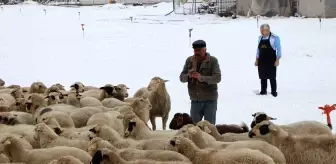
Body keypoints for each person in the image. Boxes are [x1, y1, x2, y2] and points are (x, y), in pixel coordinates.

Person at [179, 40, 221, 124]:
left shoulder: (213, 61)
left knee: (209, 128)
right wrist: (189, 76)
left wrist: (201, 78)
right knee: (194, 128)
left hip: (210, 100)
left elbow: (217, 78)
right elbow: (181, 78)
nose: (196, 53)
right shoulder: (189, 61)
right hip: (195, 100)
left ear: (205, 50)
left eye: (199, 50)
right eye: (195, 50)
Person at [255, 24, 282, 97]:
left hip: (271, 60)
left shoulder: (275, 38)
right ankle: (263, 91)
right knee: (262, 76)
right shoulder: (260, 38)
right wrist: (256, 59)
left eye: (265, 30)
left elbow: (278, 49)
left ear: (268, 30)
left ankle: (274, 92)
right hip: (262, 60)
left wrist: (277, 60)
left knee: (272, 76)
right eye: (262, 30)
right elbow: (258, 50)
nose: (263, 32)